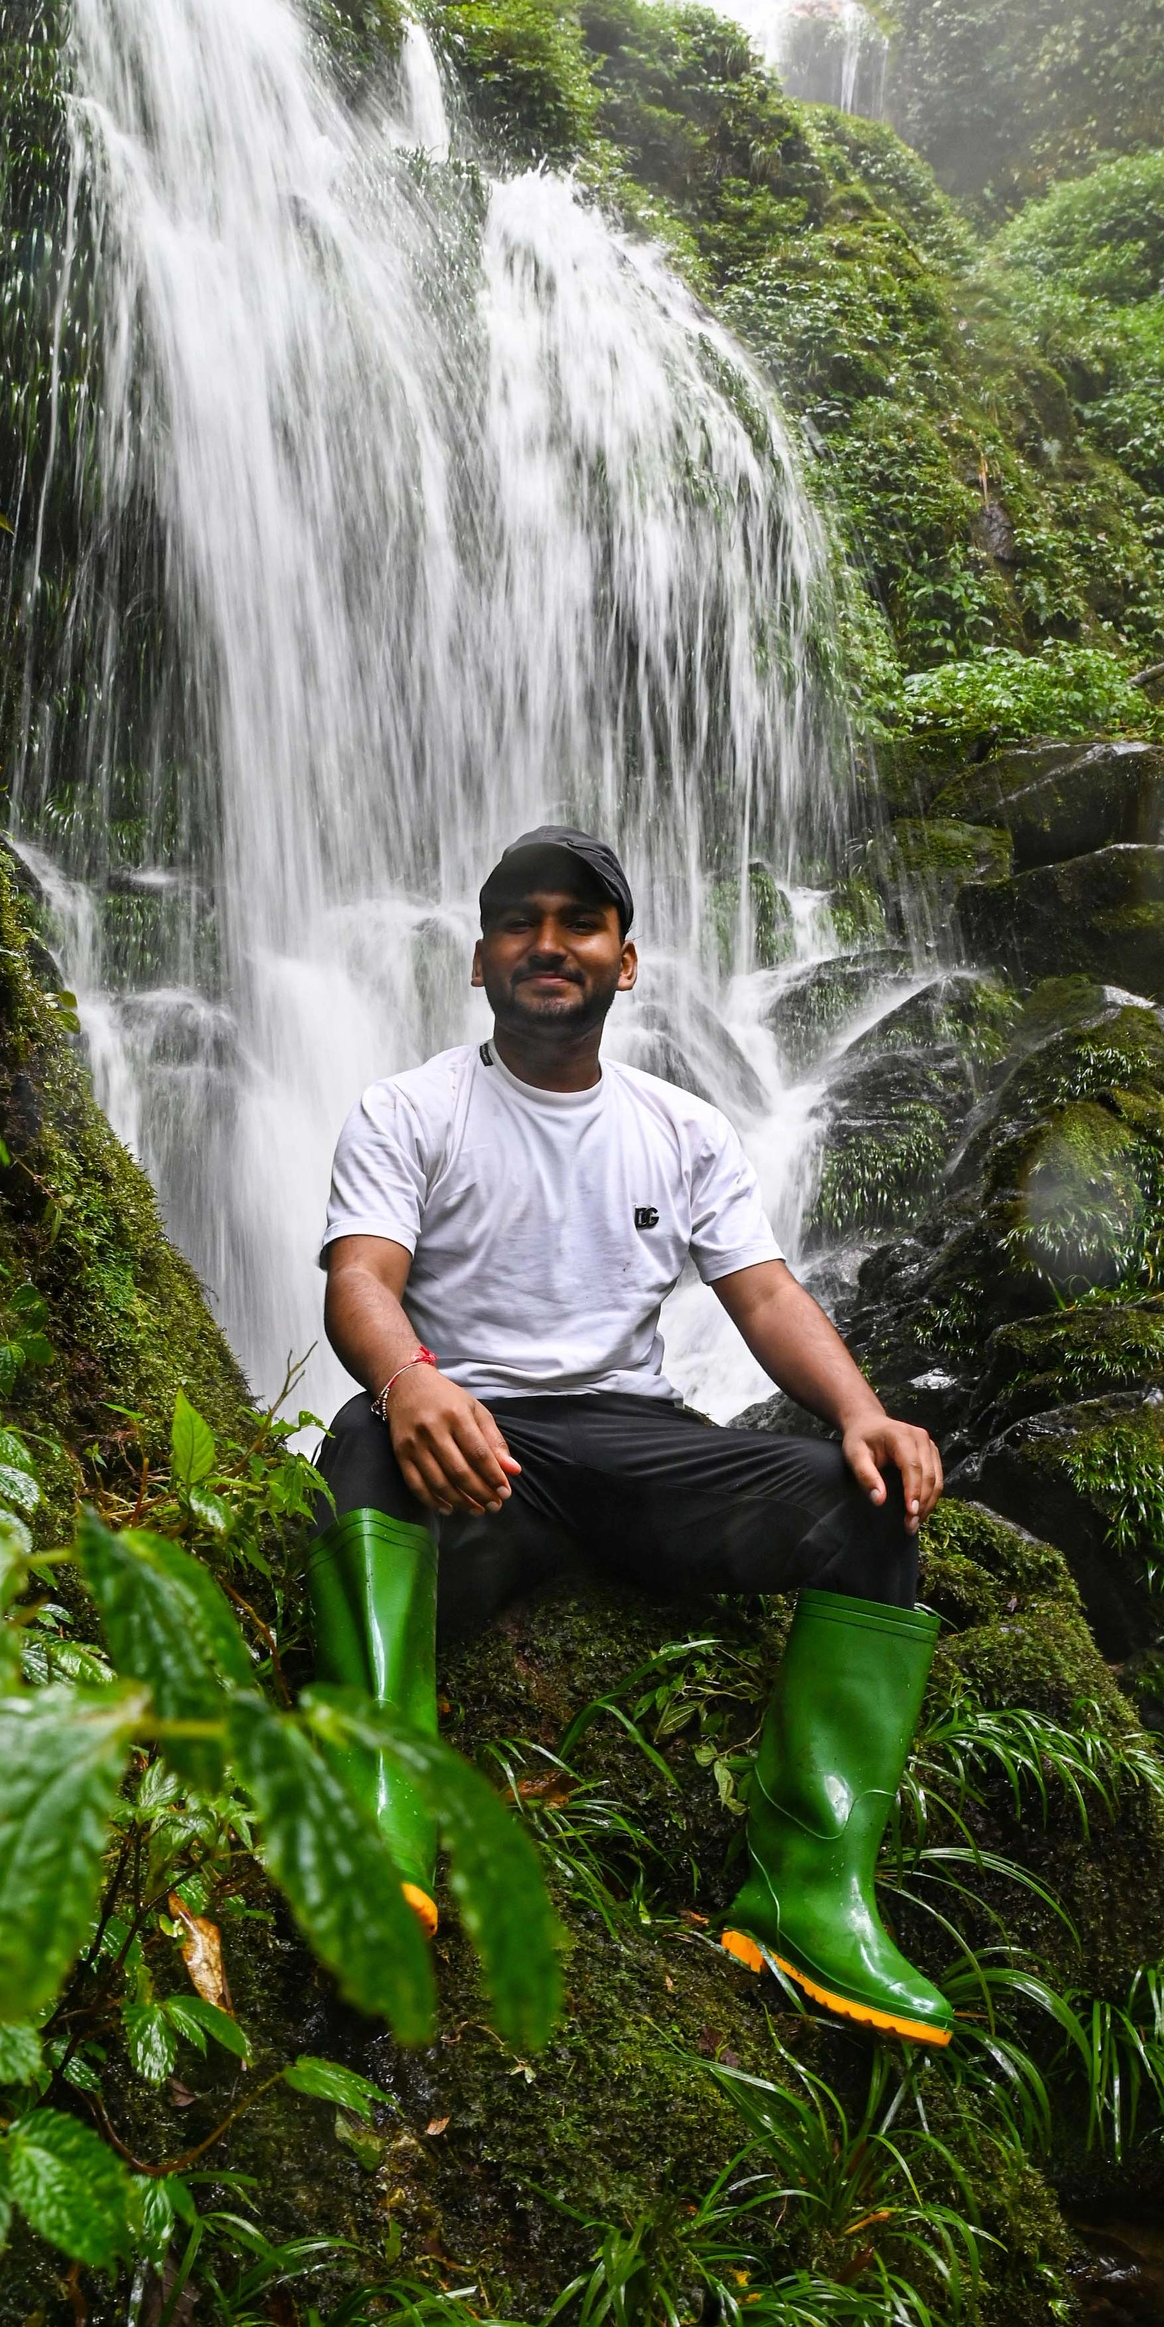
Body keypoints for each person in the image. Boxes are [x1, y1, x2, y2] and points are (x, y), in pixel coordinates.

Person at [315, 826, 952, 2047]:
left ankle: (805, 1893)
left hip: (630, 1445)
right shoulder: (408, 1111)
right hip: (478, 1450)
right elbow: (360, 1277)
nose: (545, 945)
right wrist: (408, 1379)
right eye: (517, 922)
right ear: (479, 960)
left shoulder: (684, 1129)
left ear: (626, 961)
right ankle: (373, 1810)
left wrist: (862, 1413)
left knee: (870, 1505)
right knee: (360, 1445)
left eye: (577, 924)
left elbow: (763, 1296)